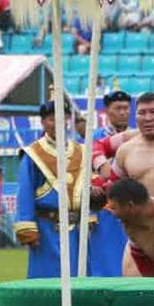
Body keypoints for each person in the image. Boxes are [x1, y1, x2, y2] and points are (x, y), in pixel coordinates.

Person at [15, 102, 93, 279]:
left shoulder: (81, 151)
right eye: (51, 119)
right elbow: (25, 192)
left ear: (68, 119)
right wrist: (28, 228)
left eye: (61, 118)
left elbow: (89, 185)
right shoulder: (33, 153)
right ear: (43, 122)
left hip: (76, 230)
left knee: (78, 276)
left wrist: (90, 216)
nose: (57, 123)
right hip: (46, 229)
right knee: (46, 279)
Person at [104, 178, 154, 277]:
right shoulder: (130, 225)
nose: (112, 213)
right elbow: (145, 269)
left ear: (130, 206)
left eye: (113, 208)